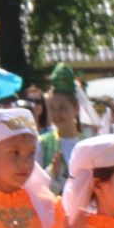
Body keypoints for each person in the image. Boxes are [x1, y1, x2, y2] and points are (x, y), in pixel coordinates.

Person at [38, 62, 92, 194]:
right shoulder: (42, 143)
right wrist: (52, 172)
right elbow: (35, 186)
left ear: (76, 108)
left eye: (62, 108)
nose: (56, 114)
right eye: (52, 108)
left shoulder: (87, 144)